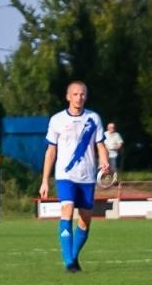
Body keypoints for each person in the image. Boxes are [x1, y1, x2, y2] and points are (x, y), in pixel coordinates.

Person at [39, 81, 111, 273]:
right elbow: (51, 151)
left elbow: (100, 145)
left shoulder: (94, 118)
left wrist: (105, 162)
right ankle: (68, 262)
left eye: (82, 94)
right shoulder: (57, 120)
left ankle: (73, 255)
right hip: (65, 175)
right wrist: (45, 180)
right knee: (68, 210)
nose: (79, 97)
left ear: (85, 97)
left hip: (87, 176)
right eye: (75, 94)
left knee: (85, 220)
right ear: (68, 96)